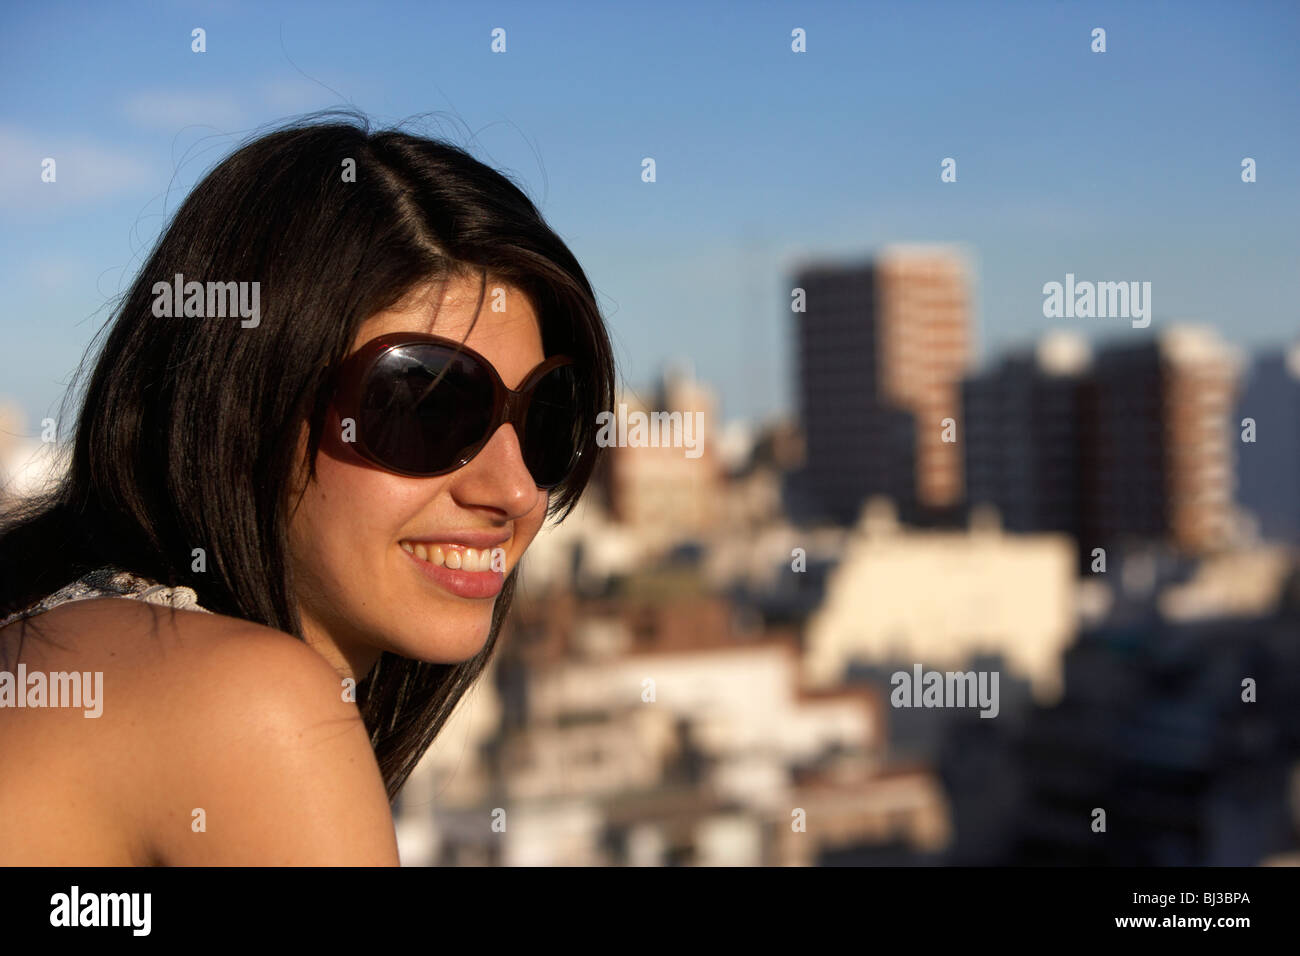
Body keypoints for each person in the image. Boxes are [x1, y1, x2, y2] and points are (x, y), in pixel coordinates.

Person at [0, 112, 615, 865]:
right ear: (240, 406)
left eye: (545, 417)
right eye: (426, 410)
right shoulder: (251, 709)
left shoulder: (54, 637)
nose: (516, 492)